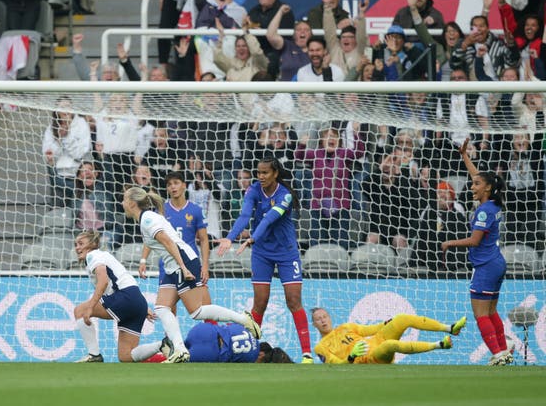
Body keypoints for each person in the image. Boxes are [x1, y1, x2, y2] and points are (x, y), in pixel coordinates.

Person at [122, 186, 261, 363]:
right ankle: (180, 350)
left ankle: (243, 319)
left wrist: (183, 267)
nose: (122, 203)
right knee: (162, 308)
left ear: (133, 203)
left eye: (125, 199)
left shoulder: (148, 219)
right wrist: (144, 261)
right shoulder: (146, 218)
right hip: (173, 266)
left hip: (183, 261)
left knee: (196, 311)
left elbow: (169, 243)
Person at [216, 157, 314, 364]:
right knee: (260, 302)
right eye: (258, 173)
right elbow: (244, 216)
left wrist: (252, 238)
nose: (260, 176)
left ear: (275, 173)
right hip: (262, 252)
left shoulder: (285, 195)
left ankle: (307, 354)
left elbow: (270, 218)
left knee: (293, 301)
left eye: (265, 173)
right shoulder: (252, 190)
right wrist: (230, 237)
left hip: (286, 252)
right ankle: (249, 353)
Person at [441, 138, 513, 366]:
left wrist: (449, 243)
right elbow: (478, 176)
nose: (472, 187)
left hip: (485, 266)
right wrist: (464, 156)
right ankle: (503, 350)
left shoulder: (483, 212)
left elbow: (474, 240)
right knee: (491, 312)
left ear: (487, 188)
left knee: (480, 314)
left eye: (475, 185)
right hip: (496, 263)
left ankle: (498, 353)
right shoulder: (493, 204)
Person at [72, 230, 168, 363]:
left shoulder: (93, 255)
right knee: (126, 356)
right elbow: (124, 280)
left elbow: (103, 281)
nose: (77, 247)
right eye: (76, 244)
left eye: (81, 243)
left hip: (125, 297)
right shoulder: (104, 256)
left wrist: (90, 307)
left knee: (80, 311)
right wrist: (144, 307)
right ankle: (163, 344)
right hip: (136, 301)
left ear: (93, 244)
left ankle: (94, 355)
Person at [138, 171, 214, 319]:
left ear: (184, 185)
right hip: (168, 265)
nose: (173, 187)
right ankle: (172, 341)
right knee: (166, 309)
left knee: (204, 306)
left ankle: (214, 338)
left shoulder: (195, 210)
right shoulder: (160, 211)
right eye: (169, 184)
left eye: (176, 183)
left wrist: (205, 266)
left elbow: (204, 240)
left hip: (190, 262)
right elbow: (152, 237)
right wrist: (143, 260)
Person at [311, 308, 466, 364]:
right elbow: (335, 365)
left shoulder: (345, 327)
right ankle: (439, 345)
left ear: (329, 317)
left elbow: (371, 329)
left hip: (376, 341)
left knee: (402, 319)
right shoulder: (320, 347)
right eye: (318, 319)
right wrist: (351, 357)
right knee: (389, 345)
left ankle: (450, 328)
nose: (323, 320)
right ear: (314, 325)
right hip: (369, 357)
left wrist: (385, 324)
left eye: (324, 316)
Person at [177, 322, 292, 363]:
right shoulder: (251, 358)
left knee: (178, 348)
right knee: (175, 359)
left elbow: (229, 326)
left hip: (202, 330)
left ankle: (160, 346)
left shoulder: (248, 331)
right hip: (209, 351)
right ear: (261, 355)